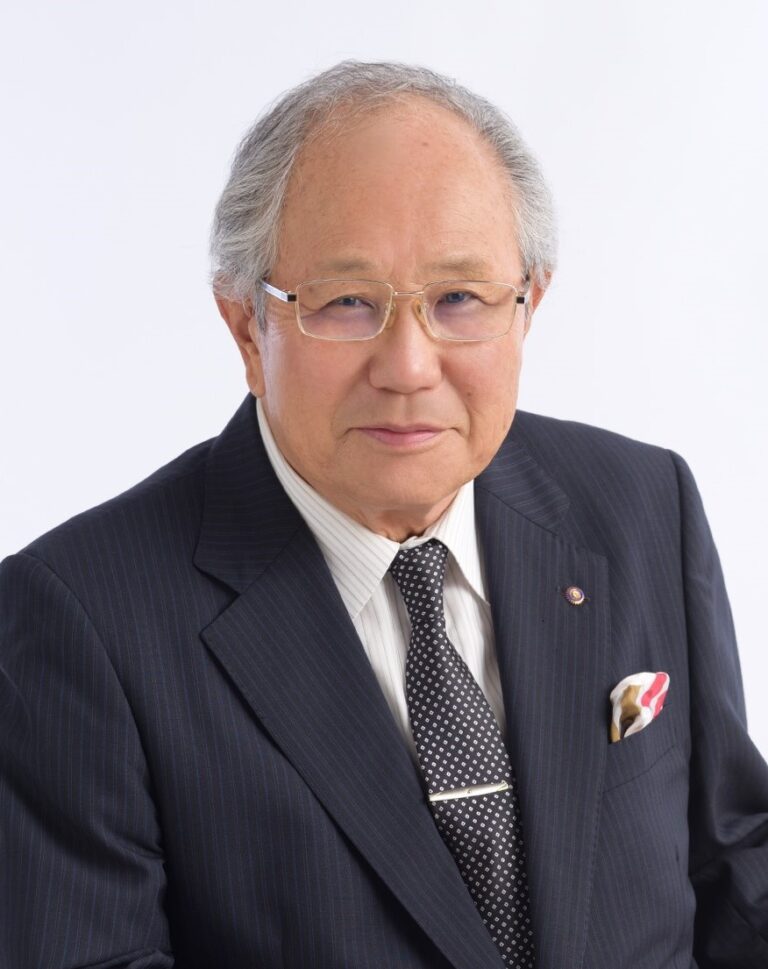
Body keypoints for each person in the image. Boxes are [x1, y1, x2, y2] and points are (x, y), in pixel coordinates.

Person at [1, 60, 766, 969]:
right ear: (246, 325)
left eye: (459, 299)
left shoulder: (642, 505)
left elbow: (737, 872)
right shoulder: (76, 623)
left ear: (528, 305)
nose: (407, 365)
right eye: (347, 303)